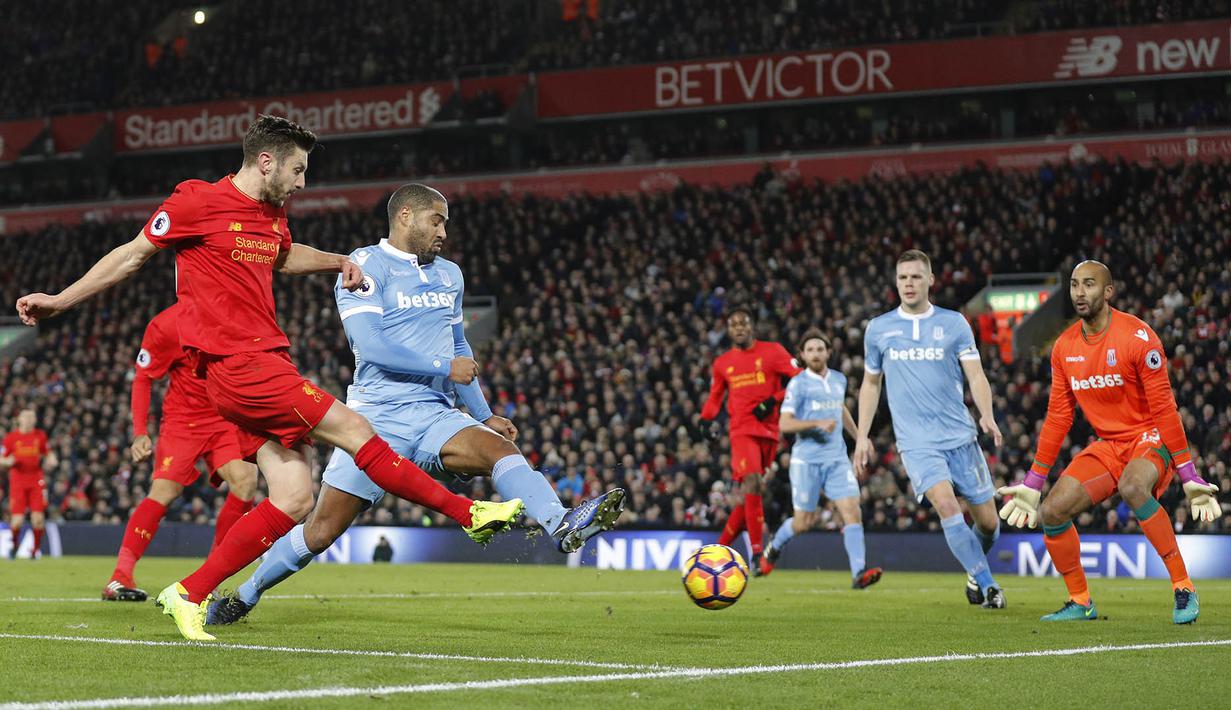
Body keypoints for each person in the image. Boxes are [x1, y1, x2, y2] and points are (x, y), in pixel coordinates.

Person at [15, 115, 522, 641]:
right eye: (298, 170)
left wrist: (338, 261)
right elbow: (131, 256)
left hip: (268, 362)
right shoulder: (195, 203)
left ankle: (187, 592)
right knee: (356, 432)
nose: (303, 182)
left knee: (294, 497)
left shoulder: (272, 213)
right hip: (239, 366)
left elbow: (281, 255)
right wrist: (59, 301)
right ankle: (469, 512)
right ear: (266, 161)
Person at [207, 184, 624, 625]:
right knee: (321, 529)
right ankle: (247, 593)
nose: (443, 230)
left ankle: (559, 524)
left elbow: (457, 343)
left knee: (501, 451)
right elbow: (371, 347)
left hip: (435, 414)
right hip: (373, 419)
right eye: (436, 220)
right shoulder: (366, 264)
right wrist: (446, 366)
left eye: (445, 222)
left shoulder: (451, 275)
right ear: (405, 215)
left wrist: (483, 415)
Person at [998, 260, 1220, 624]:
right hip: (1109, 445)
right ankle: (1080, 601)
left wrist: (1188, 473)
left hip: (1149, 437)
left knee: (1133, 485)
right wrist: (1034, 480)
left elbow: (1165, 410)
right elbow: (1058, 417)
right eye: (1073, 285)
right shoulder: (1064, 347)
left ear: (1108, 291)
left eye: (1088, 285)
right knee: (1051, 512)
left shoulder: (1137, 337)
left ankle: (1183, 587)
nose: (1079, 293)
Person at [854, 249, 1006, 609]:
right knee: (945, 503)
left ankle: (973, 571)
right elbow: (871, 384)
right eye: (903, 277)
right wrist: (862, 435)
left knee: (989, 523)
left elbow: (976, 374)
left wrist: (986, 413)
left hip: (960, 436)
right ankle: (988, 585)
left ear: (930, 280)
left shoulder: (954, 323)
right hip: (917, 442)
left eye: (916, 276)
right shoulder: (879, 329)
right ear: (896, 282)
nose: (909, 283)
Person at [103, 302, 259, 602]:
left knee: (245, 480)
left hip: (224, 417)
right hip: (182, 422)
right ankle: (120, 576)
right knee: (164, 492)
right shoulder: (165, 326)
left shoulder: (234, 310)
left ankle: (211, 576)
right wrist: (139, 432)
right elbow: (143, 377)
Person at [760, 330, 882, 589]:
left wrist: (861, 436)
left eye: (820, 348)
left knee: (851, 511)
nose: (816, 353)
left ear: (828, 352)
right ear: (802, 356)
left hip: (836, 459)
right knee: (804, 522)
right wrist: (816, 423)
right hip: (807, 461)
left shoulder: (838, 379)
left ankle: (859, 573)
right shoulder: (798, 384)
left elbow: (840, 409)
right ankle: (774, 548)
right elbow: (785, 423)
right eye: (810, 350)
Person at [700, 308, 800, 572]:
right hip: (741, 430)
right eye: (733, 324)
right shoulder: (723, 363)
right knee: (753, 481)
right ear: (729, 330)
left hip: (770, 432)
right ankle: (756, 552)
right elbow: (714, 398)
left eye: (743, 323)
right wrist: (705, 419)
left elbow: (801, 379)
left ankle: (717, 549)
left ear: (752, 326)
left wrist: (773, 400)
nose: (739, 328)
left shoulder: (773, 352)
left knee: (750, 496)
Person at [1, 409, 56, 559]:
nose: (29, 420)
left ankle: (35, 550)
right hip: (18, 482)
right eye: (26, 417)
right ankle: (14, 544)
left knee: (38, 519)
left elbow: (47, 451)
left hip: (36, 480)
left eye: (32, 417)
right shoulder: (11, 438)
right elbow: (2, 458)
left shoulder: (40, 436)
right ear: (19, 419)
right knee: (17, 521)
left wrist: (51, 458)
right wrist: (8, 461)